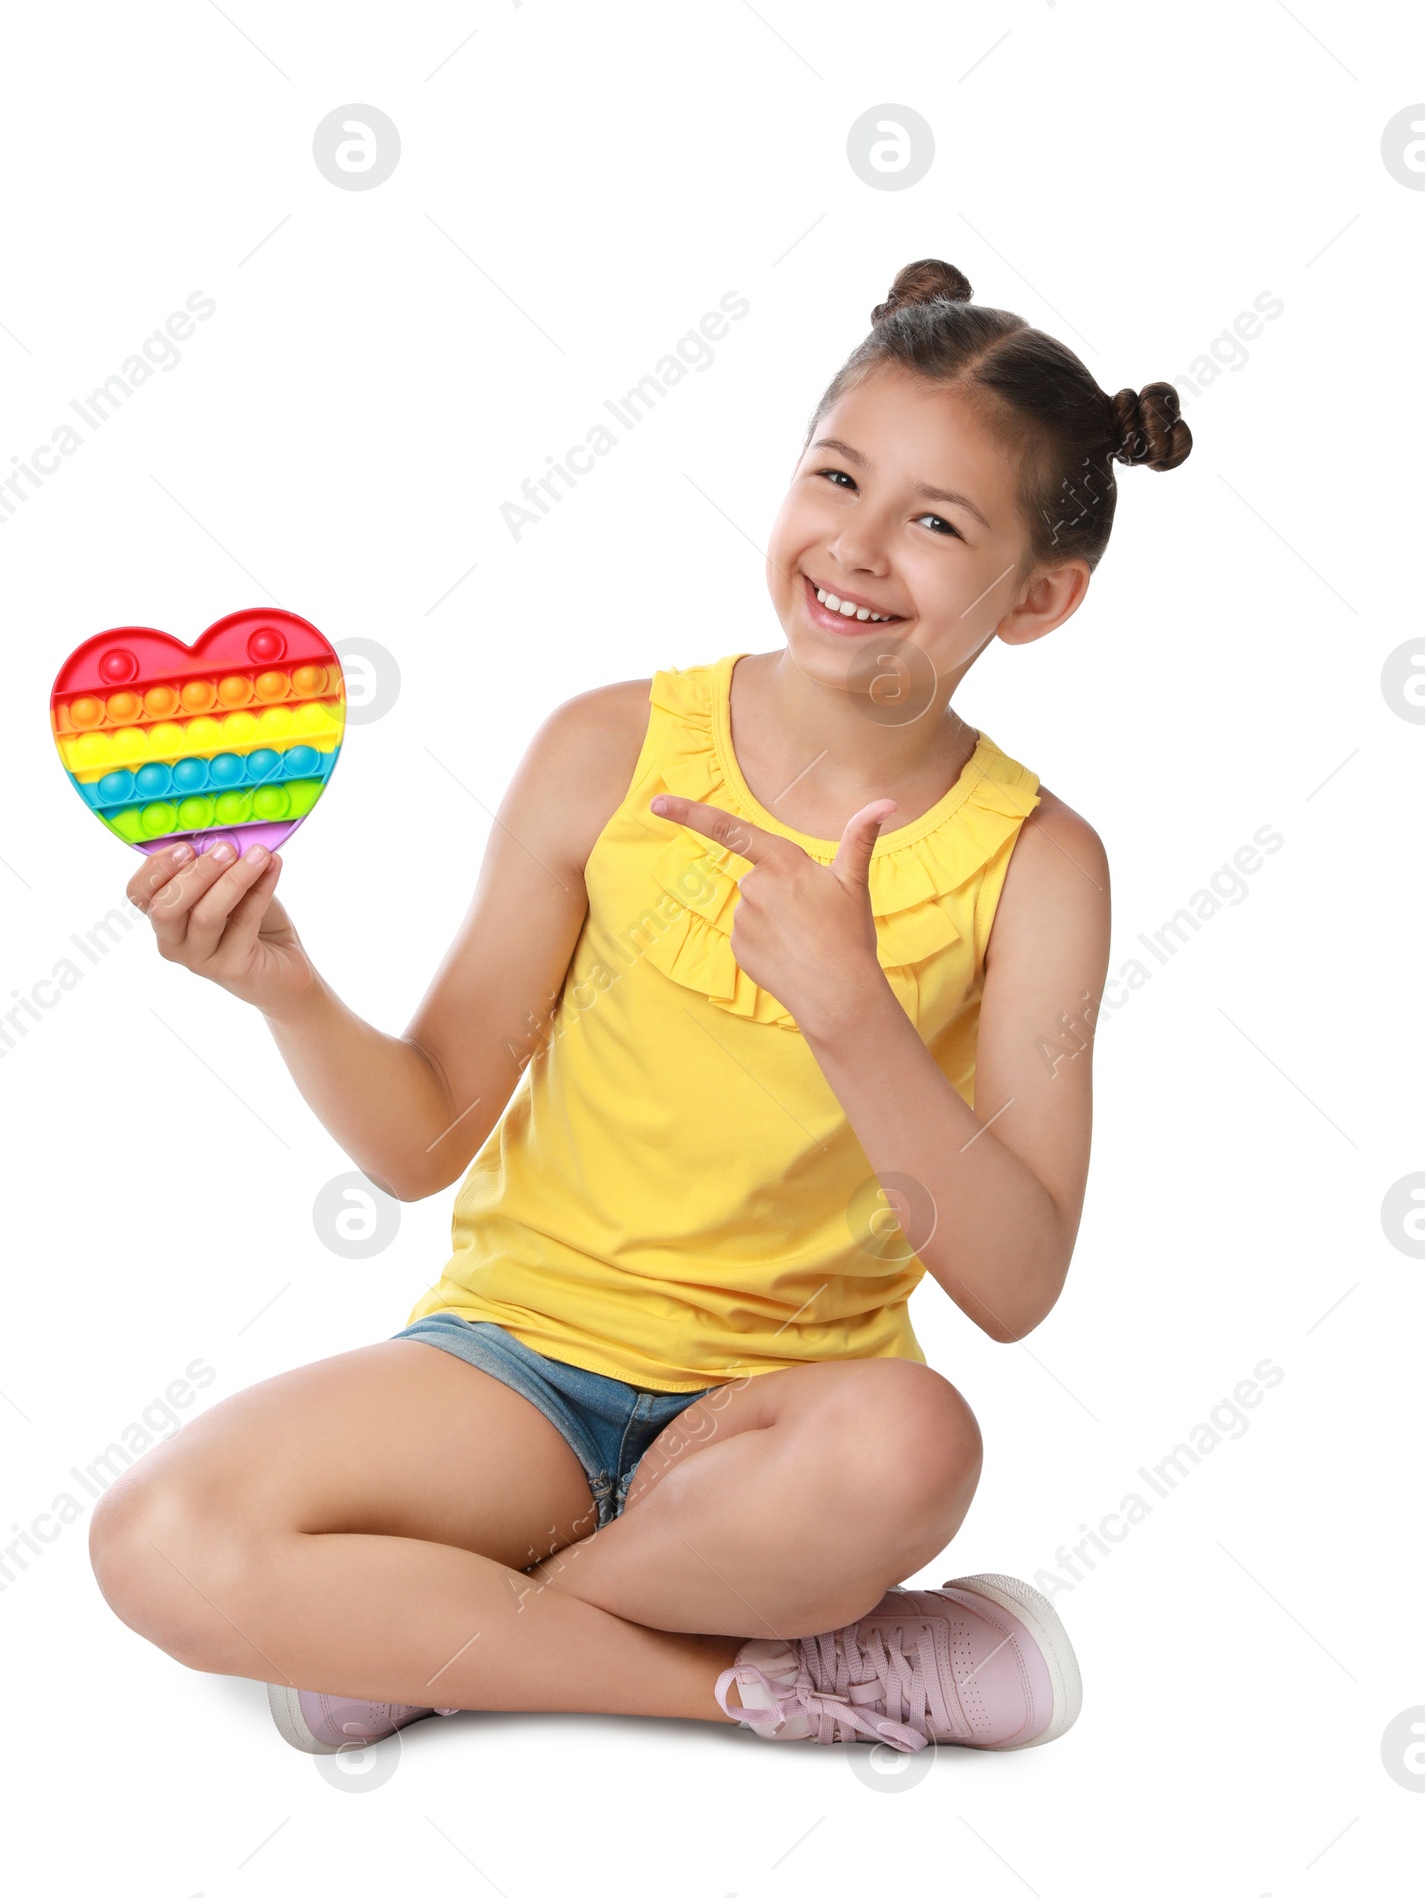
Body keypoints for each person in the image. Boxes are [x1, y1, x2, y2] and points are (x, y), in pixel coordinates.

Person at [87, 258, 1192, 1754]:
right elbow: (426, 1142)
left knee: (921, 1442)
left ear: (1042, 598)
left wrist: (852, 1011)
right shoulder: (606, 746)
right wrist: (284, 985)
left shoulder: (1043, 864)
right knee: (156, 1539)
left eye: (937, 522)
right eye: (837, 478)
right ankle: (762, 1675)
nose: (857, 548)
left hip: (782, 1432)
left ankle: (440, 1633)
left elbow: (1015, 1283)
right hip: (516, 1373)